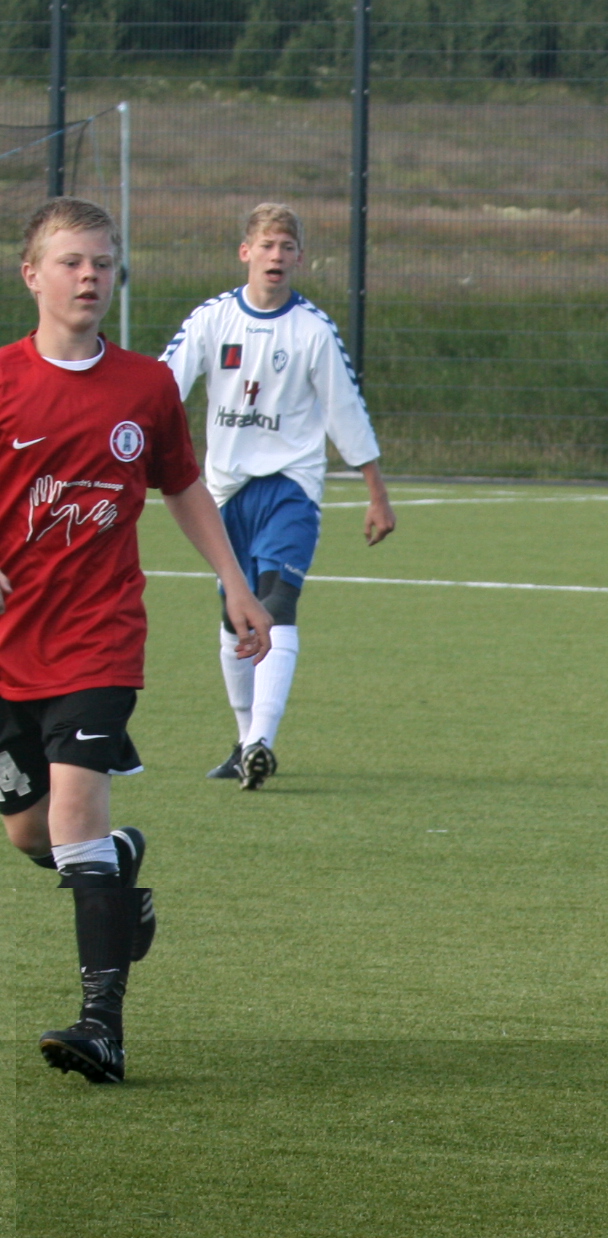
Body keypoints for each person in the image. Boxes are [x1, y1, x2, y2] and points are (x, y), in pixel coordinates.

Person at [3, 198, 273, 1082]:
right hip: (8, 648)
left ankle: (102, 1029)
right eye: (72, 262)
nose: (90, 277)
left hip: (99, 639)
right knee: (31, 834)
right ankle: (119, 869)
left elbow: (183, 485)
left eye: (104, 262)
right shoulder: (3, 380)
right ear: (32, 275)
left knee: (75, 813)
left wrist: (236, 584)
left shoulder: (146, 387)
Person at [160, 200, 392, 789]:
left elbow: (345, 407)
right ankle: (244, 743)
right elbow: (162, 387)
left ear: (300, 259)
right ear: (245, 253)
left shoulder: (312, 329)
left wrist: (376, 492)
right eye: (266, 245)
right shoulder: (212, 319)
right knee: (234, 612)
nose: (276, 255)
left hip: (291, 485)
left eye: (287, 247)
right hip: (225, 489)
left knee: (276, 601)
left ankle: (262, 738)